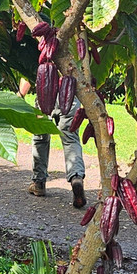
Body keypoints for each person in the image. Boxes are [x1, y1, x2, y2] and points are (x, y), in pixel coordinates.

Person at [19, 77, 86, 208]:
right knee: (70, 139)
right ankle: (76, 178)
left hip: (45, 92)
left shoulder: (43, 56)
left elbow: (30, 74)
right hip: (69, 93)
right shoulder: (75, 55)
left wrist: (21, 94)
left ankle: (39, 183)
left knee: (40, 138)